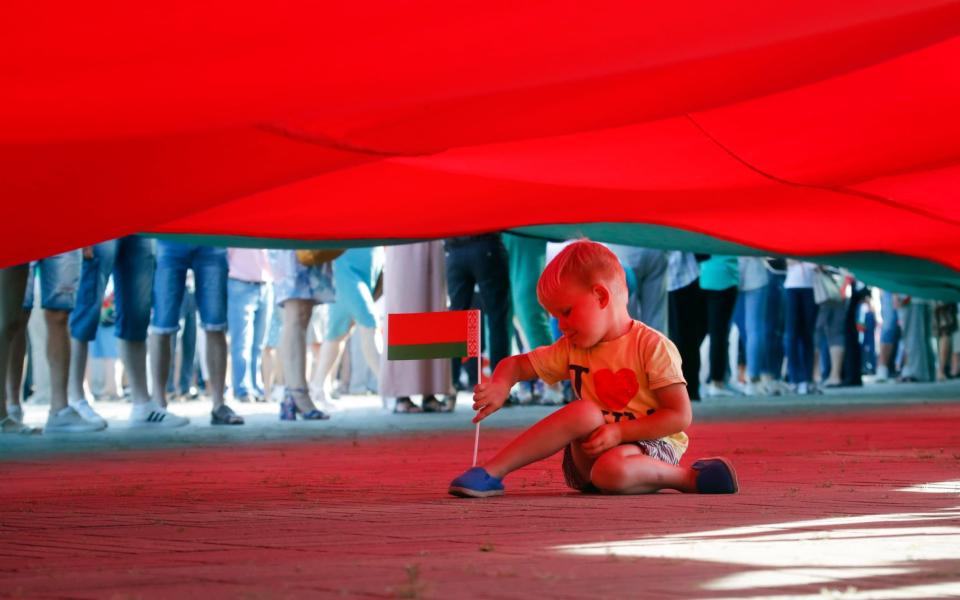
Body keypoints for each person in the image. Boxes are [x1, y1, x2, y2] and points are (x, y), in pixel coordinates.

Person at [448, 241, 738, 498]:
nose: (560, 326)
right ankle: (493, 472)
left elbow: (679, 416)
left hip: (651, 445)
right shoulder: (571, 346)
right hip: (592, 454)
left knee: (610, 470)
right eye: (555, 316)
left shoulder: (652, 346)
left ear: (601, 296)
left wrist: (620, 432)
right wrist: (501, 383)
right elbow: (517, 364)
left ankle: (689, 478)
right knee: (585, 412)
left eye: (566, 312)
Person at [7, 253, 104, 432]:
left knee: (60, 314)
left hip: (62, 233)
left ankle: (60, 410)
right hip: (19, 231)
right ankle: (11, 408)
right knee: (14, 315)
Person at [148, 241, 241, 426]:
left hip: (211, 238)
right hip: (170, 239)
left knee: (215, 324)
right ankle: (158, 403)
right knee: (162, 324)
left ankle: (218, 403)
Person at [68, 237, 155, 428]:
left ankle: (143, 404)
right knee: (85, 309)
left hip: (139, 226)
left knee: (138, 313)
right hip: (100, 225)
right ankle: (75, 399)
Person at [379, 241, 455, 413]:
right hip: (402, 240)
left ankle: (430, 392)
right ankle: (402, 395)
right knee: (404, 309)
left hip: (433, 240)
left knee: (433, 310)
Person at [310, 247, 383, 409]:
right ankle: (389, 388)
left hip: (370, 266)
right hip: (346, 268)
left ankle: (317, 387)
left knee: (337, 333)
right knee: (370, 323)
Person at [269, 249, 337, 420]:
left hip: (312, 239)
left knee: (304, 312)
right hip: (290, 240)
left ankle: (292, 394)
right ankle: (297, 392)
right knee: (295, 310)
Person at [226, 248, 273, 402]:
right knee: (241, 342)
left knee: (259, 343)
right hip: (240, 281)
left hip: (266, 283)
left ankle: (256, 386)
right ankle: (243, 388)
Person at [666, 251, 707, 400]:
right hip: (682, 275)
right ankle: (689, 388)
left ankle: (686, 388)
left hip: (678, 275)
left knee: (684, 336)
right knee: (688, 336)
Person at [699, 255, 740, 397]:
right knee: (720, 334)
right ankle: (717, 382)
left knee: (697, 335)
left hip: (702, 274)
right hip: (725, 277)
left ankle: (697, 382)